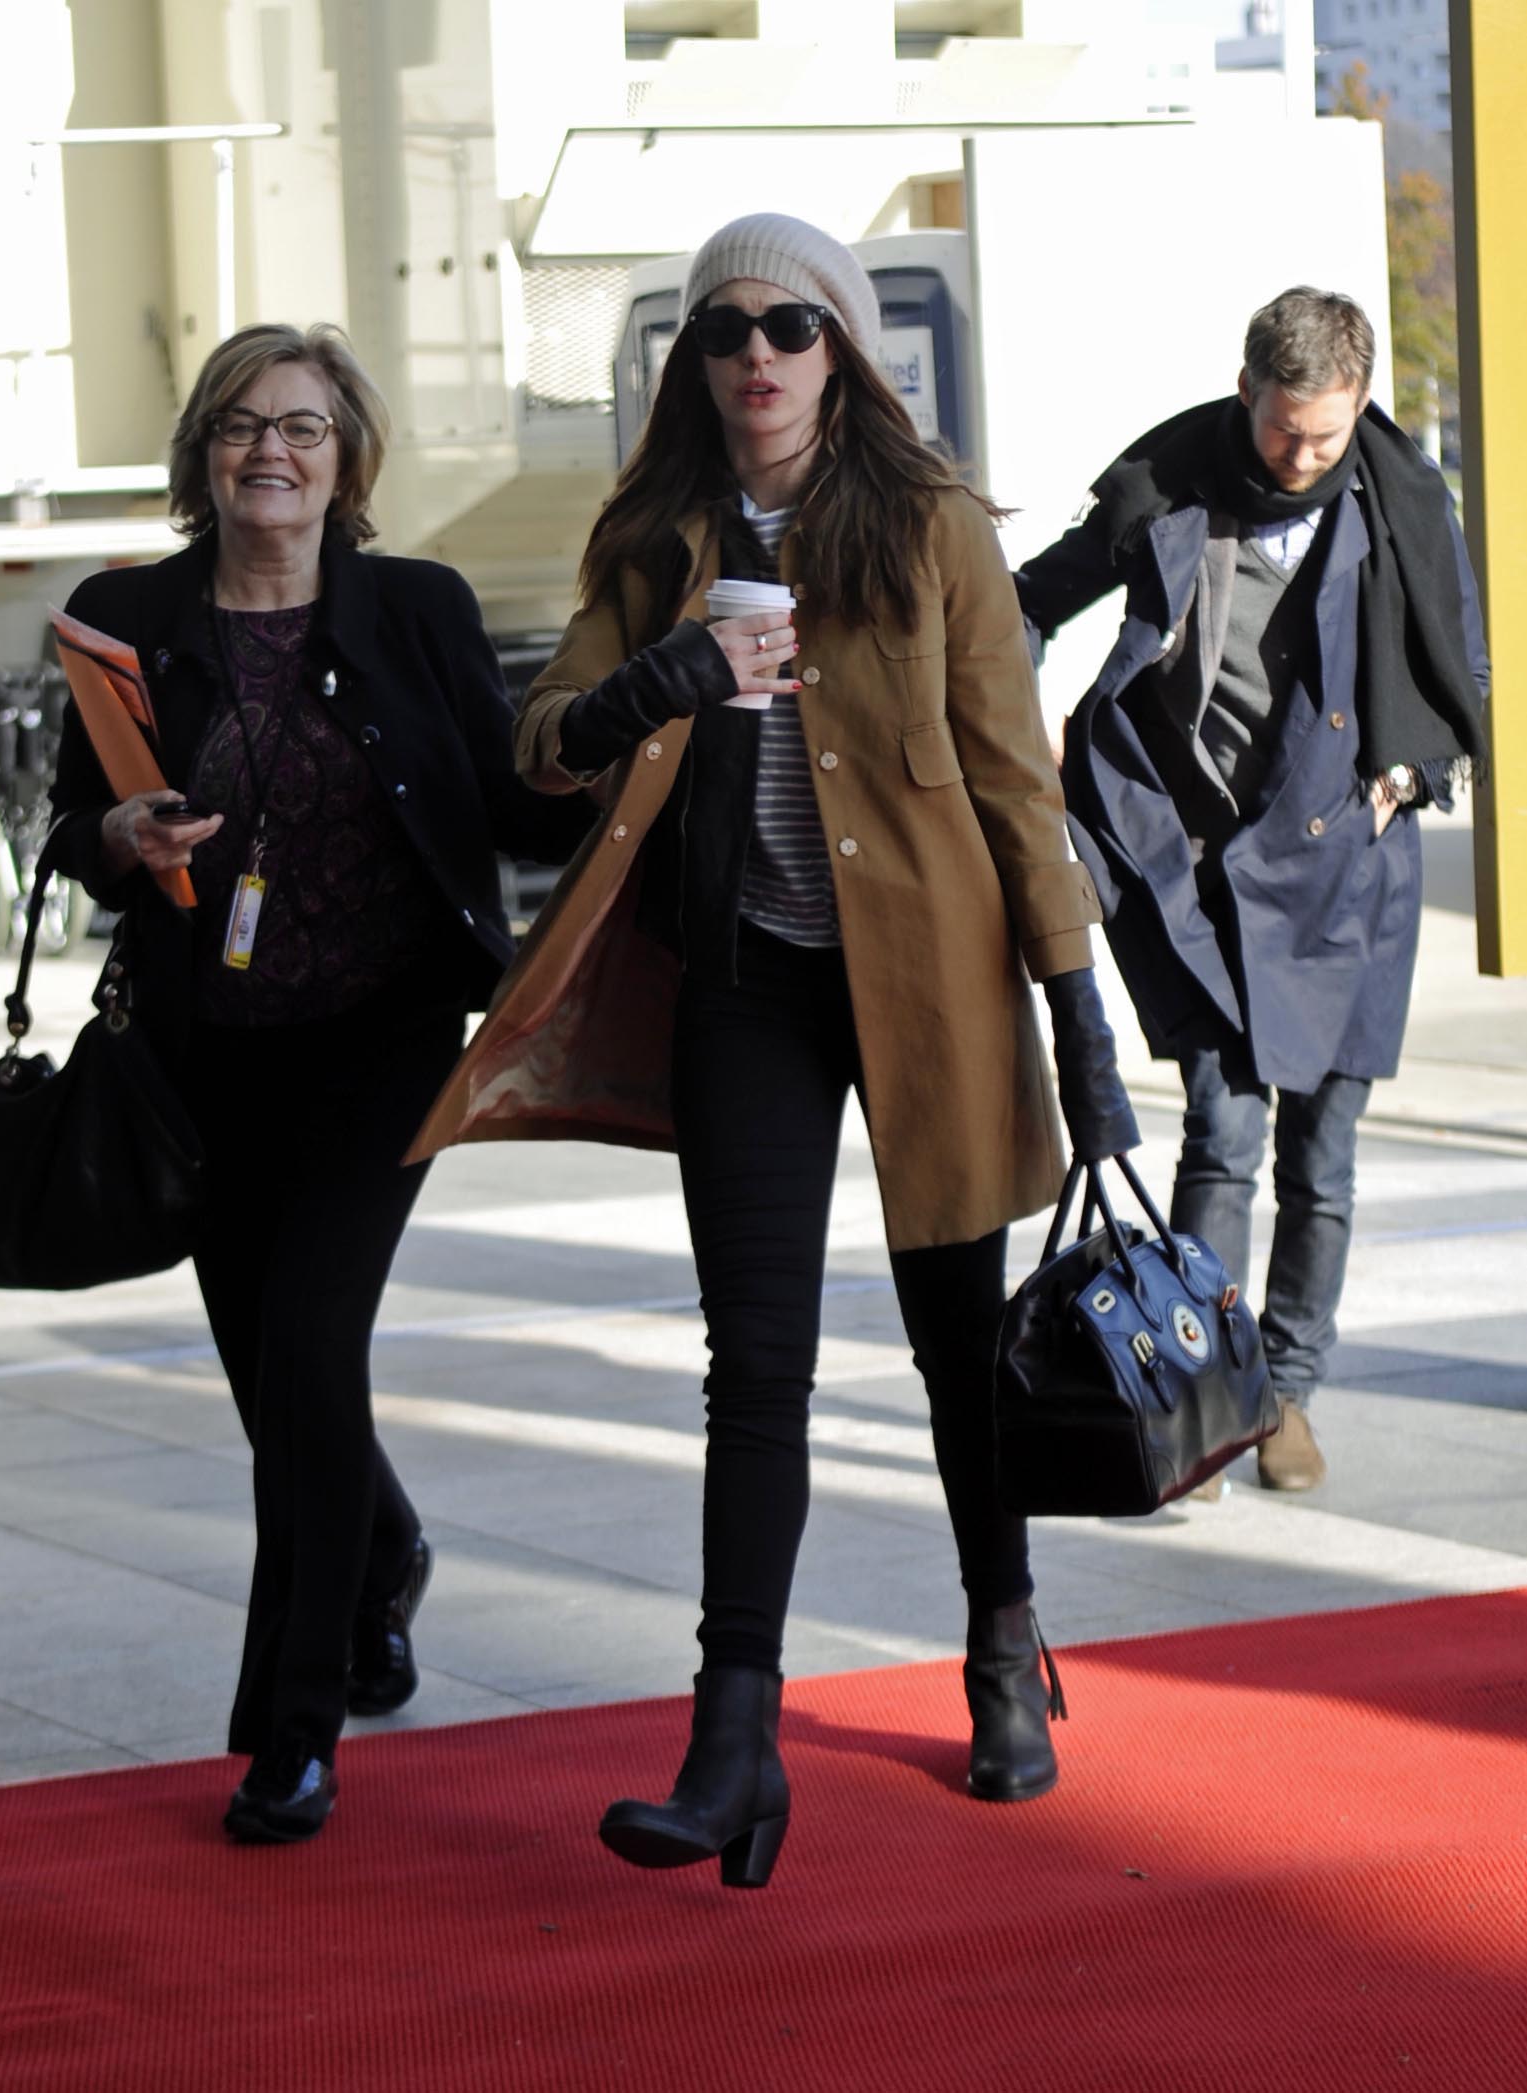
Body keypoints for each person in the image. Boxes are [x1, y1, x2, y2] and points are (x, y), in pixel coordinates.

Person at [407, 214, 1138, 1888]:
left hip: (935, 981)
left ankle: (998, 1635)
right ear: (695, 360)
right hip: (743, 980)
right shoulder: (657, 531)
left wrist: (1077, 1010)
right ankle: (729, 1734)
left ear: (838, 353)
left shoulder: (927, 521)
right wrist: (658, 675)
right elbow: (542, 741)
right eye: (726, 327)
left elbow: (1012, 778)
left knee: (961, 1344)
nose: (755, 353)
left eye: (788, 326)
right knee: (757, 1362)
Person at [48, 322, 589, 1844]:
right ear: (200, 454)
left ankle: (293, 1732)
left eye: (300, 426)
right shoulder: (120, 615)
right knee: (277, 1380)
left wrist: (614, 735)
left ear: (347, 458)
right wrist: (117, 838)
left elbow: (507, 802)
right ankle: (387, 1549)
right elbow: (63, 827)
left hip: (383, 1046)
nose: (267, 451)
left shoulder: (414, 607)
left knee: (307, 1345)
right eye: (238, 425)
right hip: (200, 1056)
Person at [1013, 287, 1489, 1495]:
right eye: (1285, 432)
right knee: (1220, 1142)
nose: (1302, 457)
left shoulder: (1402, 503)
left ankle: (1284, 1391)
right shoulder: (1166, 480)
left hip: (1344, 869)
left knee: (1318, 1159)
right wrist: (1003, 715)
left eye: (1325, 436)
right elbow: (1029, 598)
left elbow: (1459, 660)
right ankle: (1199, 1393)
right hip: (1202, 873)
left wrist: (1413, 766)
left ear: (1358, 407)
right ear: (1246, 394)